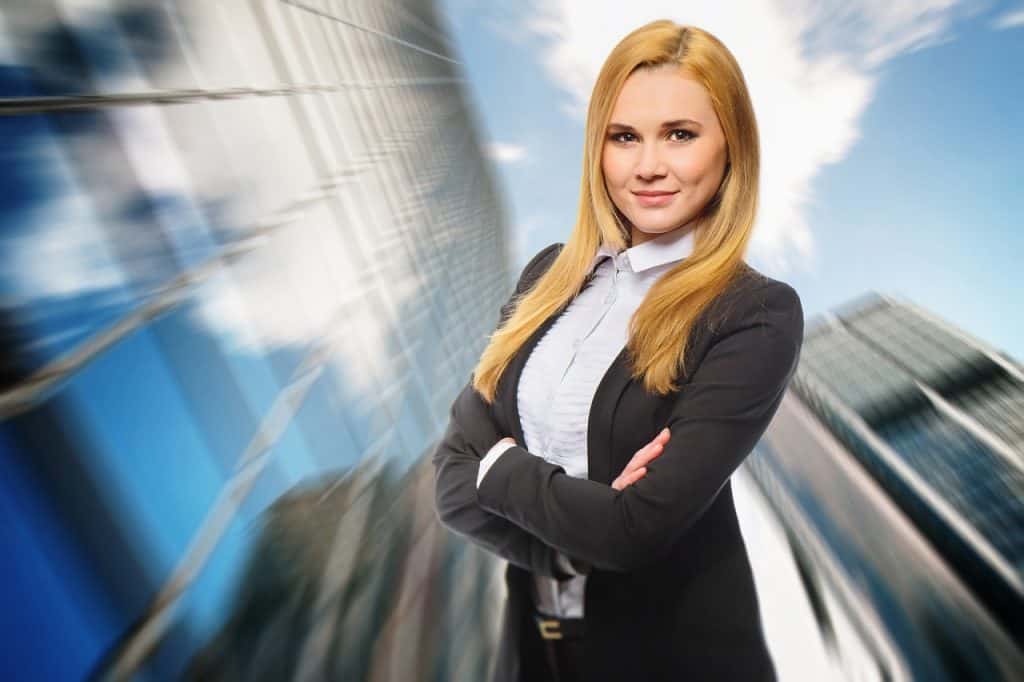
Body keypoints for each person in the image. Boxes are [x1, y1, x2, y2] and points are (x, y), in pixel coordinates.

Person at [432, 19, 803, 682]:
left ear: (730, 149)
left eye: (680, 135)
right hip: (534, 650)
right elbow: (451, 483)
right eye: (624, 136)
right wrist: (576, 541)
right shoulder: (547, 274)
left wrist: (503, 469)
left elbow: (635, 532)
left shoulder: (753, 314)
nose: (647, 166)